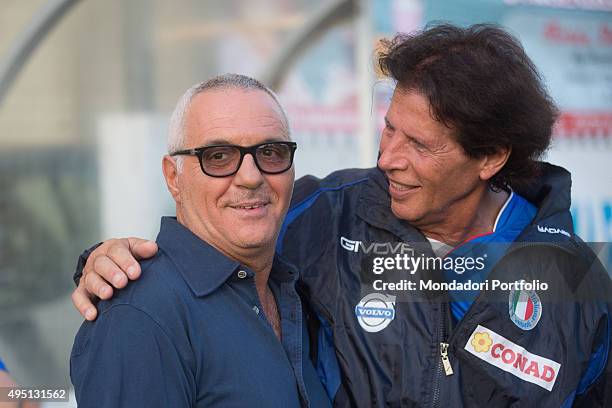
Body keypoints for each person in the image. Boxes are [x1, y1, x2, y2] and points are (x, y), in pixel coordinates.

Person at [70, 24, 611, 407]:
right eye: (390, 127)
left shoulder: (578, 286)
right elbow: (214, 240)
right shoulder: (325, 213)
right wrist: (104, 261)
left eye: (419, 144)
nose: (387, 158)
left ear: (490, 157)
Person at [69, 74, 330, 408]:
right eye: (218, 156)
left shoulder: (295, 288)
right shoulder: (140, 316)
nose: (251, 177)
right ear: (173, 177)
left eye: (271, 152)